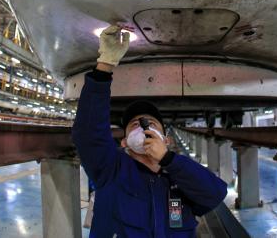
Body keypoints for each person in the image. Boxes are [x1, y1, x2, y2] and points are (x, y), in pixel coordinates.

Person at [72, 25, 228, 237]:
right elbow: (88, 133)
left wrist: (168, 160)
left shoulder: (181, 181)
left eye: (151, 124)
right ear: (125, 142)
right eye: (135, 124)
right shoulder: (111, 170)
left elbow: (215, 193)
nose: (144, 124)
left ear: (167, 140)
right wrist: (105, 66)